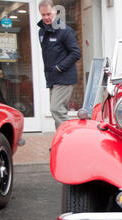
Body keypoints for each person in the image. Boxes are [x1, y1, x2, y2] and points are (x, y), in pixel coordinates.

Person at [38, 0, 81, 129]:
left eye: (48, 14)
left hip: (64, 77)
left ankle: (68, 142)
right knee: (58, 112)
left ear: (55, 12)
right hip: (52, 78)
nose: (46, 17)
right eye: (43, 15)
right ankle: (60, 143)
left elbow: (75, 53)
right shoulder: (42, 32)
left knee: (56, 109)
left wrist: (59, 67)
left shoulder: (65, 31)